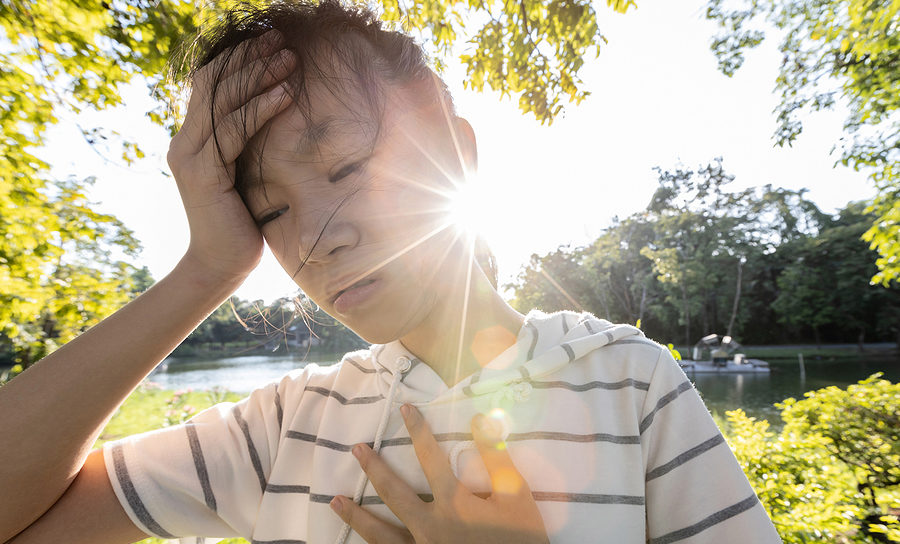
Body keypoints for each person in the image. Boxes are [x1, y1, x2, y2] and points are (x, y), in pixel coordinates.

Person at [0, 1, 782, 543]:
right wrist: (204, 271)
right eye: (269, 214)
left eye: (342, 168)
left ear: (457, 152)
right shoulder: (281, 428)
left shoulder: (630, 384)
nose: (311, 240)